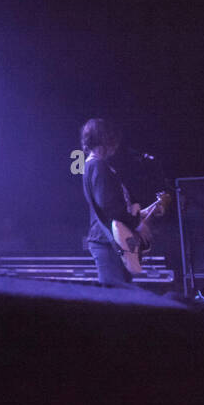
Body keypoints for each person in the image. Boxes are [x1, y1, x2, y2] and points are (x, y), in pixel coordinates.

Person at [80, 118, 147, 287]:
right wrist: (136, 222)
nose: (115, 146)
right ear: (105, 138)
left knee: (120, 296)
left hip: (110, 239)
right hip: (107, 240)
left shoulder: (96, 165)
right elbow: (110, 207)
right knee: (116, 298)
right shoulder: (97, 165)